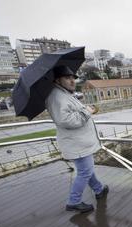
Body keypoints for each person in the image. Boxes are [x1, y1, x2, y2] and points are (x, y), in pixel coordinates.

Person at [45, 65, 108, 213]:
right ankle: (74, 201)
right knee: (85, 172)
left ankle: (99, 190)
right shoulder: (57, 97)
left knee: (87, 169)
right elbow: (67, 121)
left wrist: (85, 109)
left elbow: (71, 113)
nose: (72, 81)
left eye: (73, 77)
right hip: (77, 143)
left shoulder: (64, 94)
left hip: (79, 142)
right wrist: (87, 111)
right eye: (67, 78)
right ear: (57, 80)